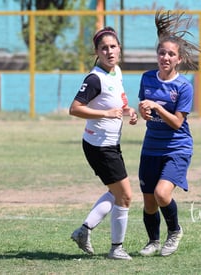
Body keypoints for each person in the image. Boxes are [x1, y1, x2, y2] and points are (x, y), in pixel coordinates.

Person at [137, 10, 201, 257]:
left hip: (177, 147)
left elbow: (177, 123)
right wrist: (141, 113)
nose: (165, 57)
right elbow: (143, 107)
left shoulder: (184, 86)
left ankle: (174, 231)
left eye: (171, 54)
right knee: (148, 201)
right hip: (150, 147)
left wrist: (157, 106)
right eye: (162, 52)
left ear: (178, 59)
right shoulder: (146, 79)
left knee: (161, 194)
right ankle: (153, 241)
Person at [69, 26, 138, 260]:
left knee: (116, 192)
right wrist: (106, 114)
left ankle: (84, 231)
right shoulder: (95, 78)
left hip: (110, 143)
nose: (109, 51)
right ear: (97, 52)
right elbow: (75, 109)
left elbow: (117, 103)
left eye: (113, 46)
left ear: (119, 48)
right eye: (104, 48)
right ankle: (116, 248)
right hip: (99, 146)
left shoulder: (116, 71)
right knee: (125, 196)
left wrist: (129, 111)